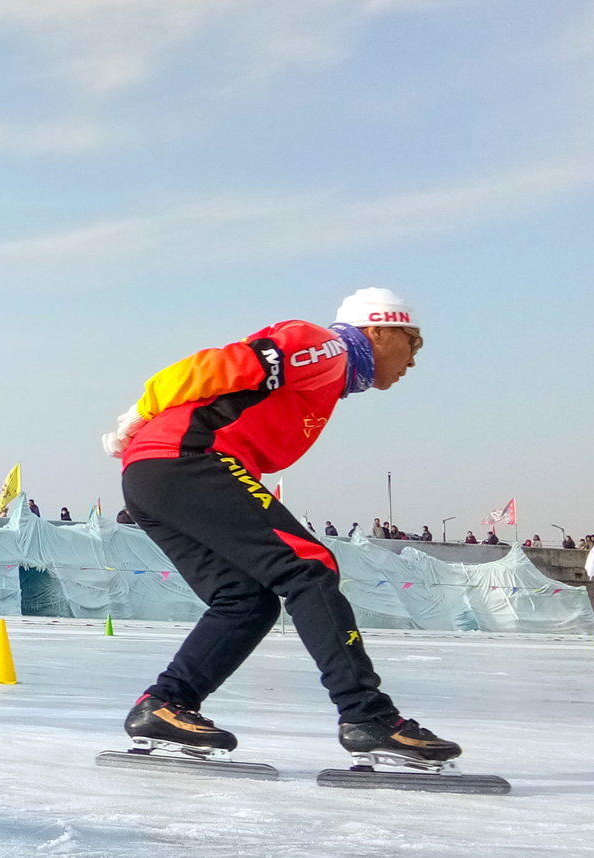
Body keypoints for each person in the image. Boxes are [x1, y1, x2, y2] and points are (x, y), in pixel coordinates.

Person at [99, 286, 458, 768]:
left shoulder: (329, 376)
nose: (413, 358)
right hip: (186, 459)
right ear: (378, 330)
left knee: (246, 599)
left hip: (155, 474)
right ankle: (367, 716)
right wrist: (142, 411)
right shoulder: (325, 348)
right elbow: (211, 365)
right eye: (411, 341)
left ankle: (165, 705)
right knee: (309, 566)